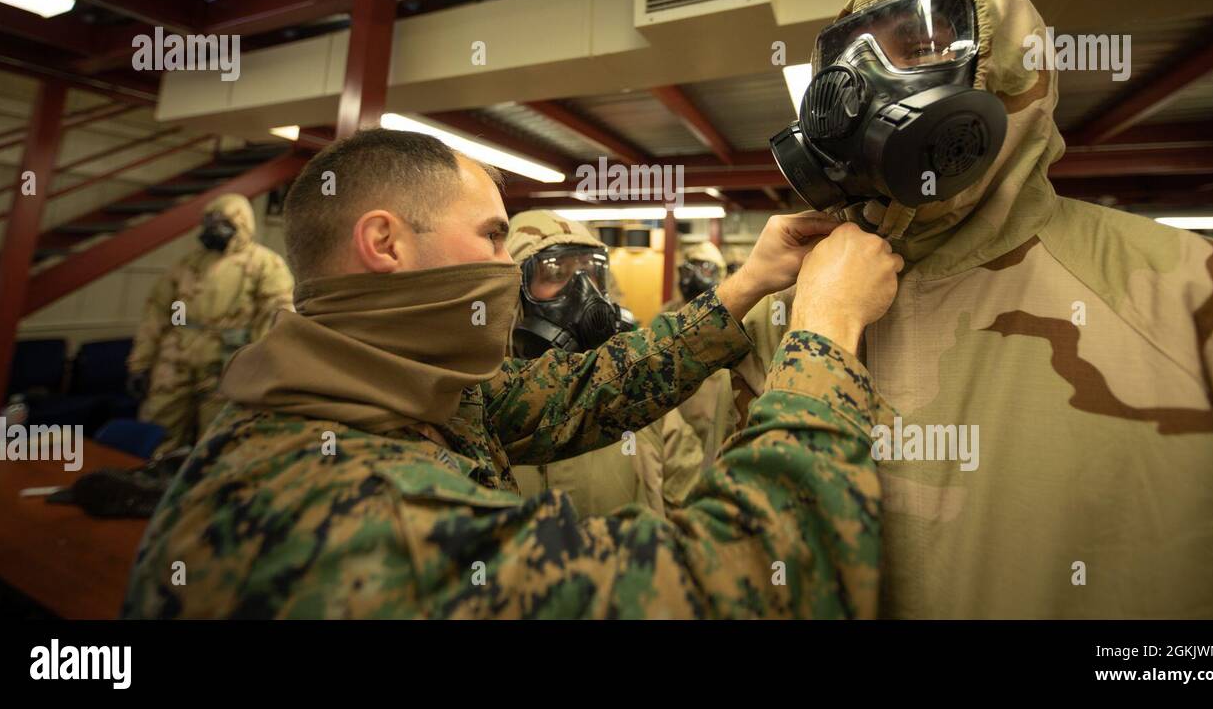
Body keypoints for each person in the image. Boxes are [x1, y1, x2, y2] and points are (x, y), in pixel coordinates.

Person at [122, 127, 902, 619]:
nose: (509, 267)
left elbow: (587, 392)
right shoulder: (376, 519)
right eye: (495, 236)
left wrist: (745, 286)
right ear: (387, 243)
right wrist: (828, 329)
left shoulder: (380, 391)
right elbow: (752, 585)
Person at [748, 0, 1213, 618]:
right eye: (849, 61)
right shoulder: (788, 315)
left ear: (1009, 77)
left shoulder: (1205, 298)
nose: (861, 89)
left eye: (919, 49)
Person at [506, 209, 696, 516]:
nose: (583, 290)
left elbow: (688, 496)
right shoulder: (485, 403)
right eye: (556, 273)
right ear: (514, 292)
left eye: (590, 272)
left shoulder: (634, 387)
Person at [125, 193, 294, 455]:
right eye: (210, 222)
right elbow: (156, 312)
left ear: (242, 225)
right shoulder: (190, 263)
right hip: (174, 364)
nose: (213, 229)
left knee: (217, 441)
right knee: (157, 432)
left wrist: (263, 369)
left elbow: (276, 316)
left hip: (225, 367)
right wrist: (141, 363)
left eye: (222, 222)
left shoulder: (265, 264)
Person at [659, 241, 760, 478]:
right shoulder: (668, 316)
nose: (693, 277)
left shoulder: (735, 318)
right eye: (689, 268)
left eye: (704, 269)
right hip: (675, 418)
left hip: (712, 420)